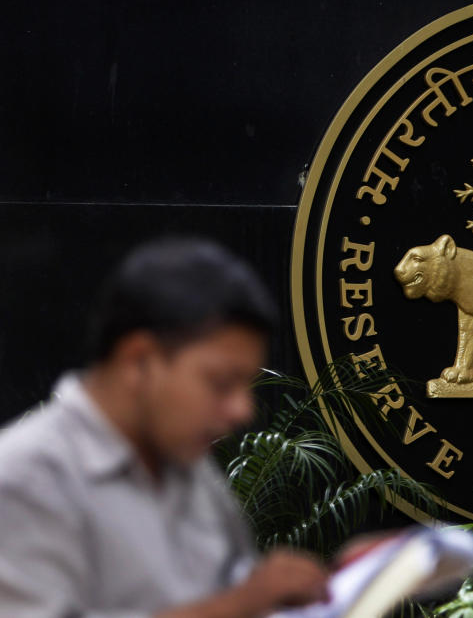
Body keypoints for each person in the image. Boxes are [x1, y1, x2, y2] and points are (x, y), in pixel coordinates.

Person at [0, 238, 329, 617]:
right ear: (139, 361)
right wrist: (237, 605)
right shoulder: (25, 479)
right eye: (221, 383)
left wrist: (341, 584)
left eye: (247, 385)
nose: (243, 409)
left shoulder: (192, 472)